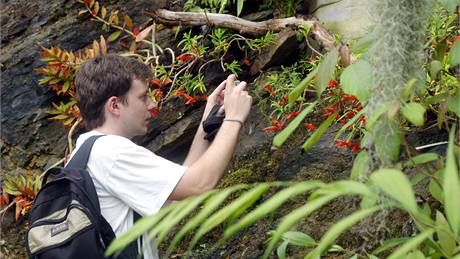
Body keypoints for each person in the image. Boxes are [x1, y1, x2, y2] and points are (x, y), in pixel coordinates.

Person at [70, 54, 252, 259]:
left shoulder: (85, 153)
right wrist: (235, 118)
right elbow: (200, 184)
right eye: (143, 96)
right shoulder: (111, 153)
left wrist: (205, 125)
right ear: (114, 106)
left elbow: (175, 202)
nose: (151, 104)